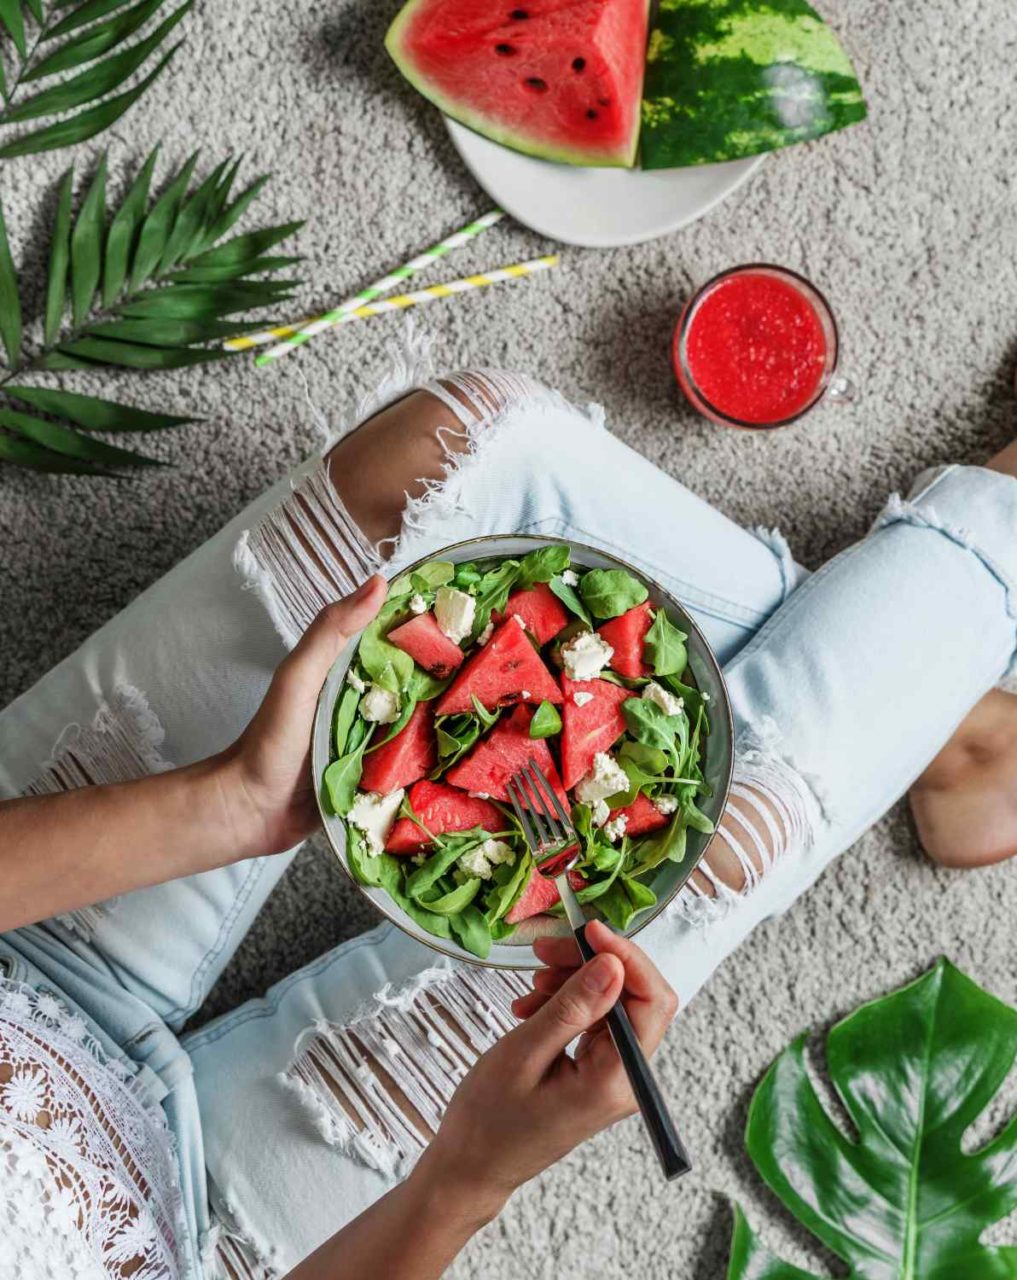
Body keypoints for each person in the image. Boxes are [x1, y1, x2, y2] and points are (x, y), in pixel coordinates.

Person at [1, 363, 1014, 1279]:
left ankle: (942, 709)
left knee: (467, 442)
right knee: (728, 834)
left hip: (28, 950)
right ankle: (967, 677)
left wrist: (225, 805)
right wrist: (469, 1176)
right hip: (203, 1240)